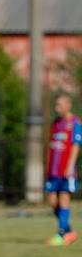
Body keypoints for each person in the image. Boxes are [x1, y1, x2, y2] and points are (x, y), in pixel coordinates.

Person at [45, 94, 81, 246]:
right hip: (53, 170)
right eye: (55, 104)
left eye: (59, 104)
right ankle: (69, 231)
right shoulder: (56, 123)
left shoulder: (75, 123)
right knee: (52, 200)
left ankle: (61, 234)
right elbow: (51, 145)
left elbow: (75, 145)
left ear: (68, 105)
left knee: (64, 198)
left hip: (66, 170)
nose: (56, 107)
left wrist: (70, 165)